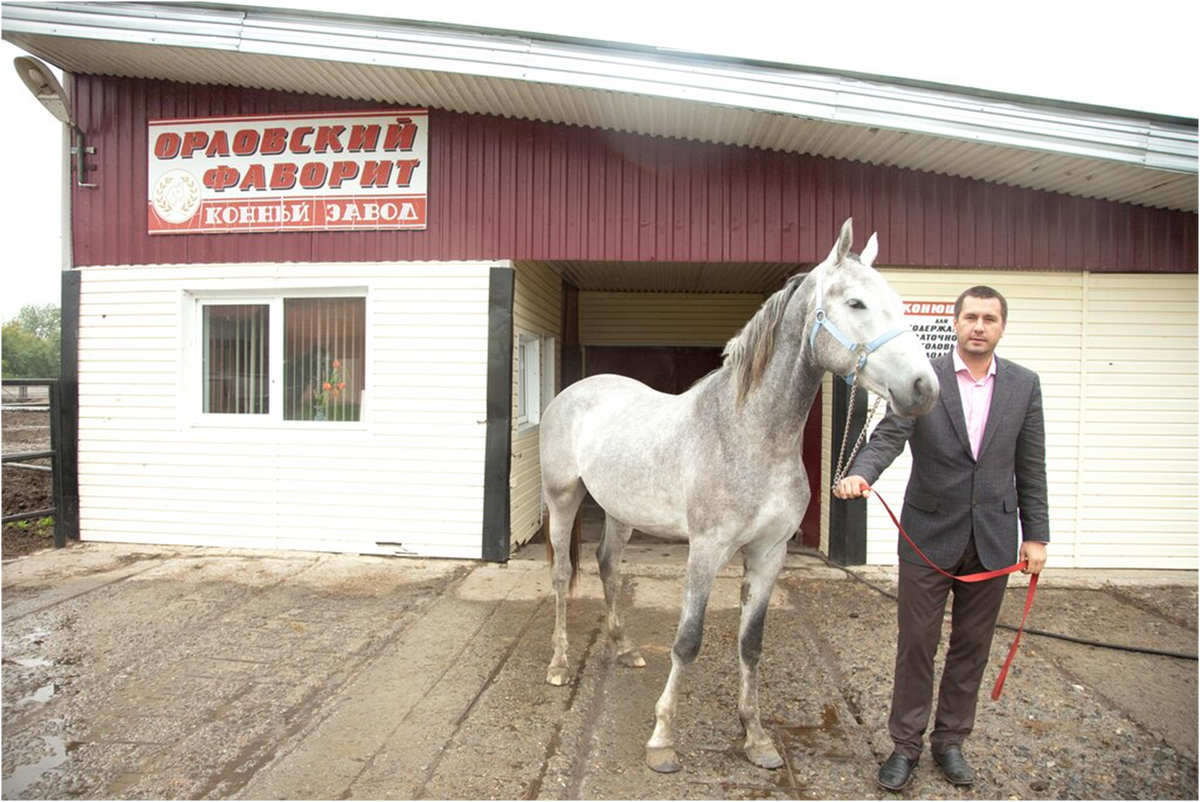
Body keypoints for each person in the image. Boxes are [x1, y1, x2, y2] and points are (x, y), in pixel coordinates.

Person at [834, 285, 1048, 791]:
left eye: (989, 318)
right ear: (955, 323)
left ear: (1001, 327)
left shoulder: (1024, 385)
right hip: (928, 535)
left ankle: (950, 742)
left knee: (971, 648)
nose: (979, 326)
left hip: (993, 537)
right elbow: (889, 434)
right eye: (971, 316)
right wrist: (862, 473)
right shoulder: (923, 377)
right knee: (916, 646)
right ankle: (905, 746)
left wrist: (1036, 535)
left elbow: (1030, 466)